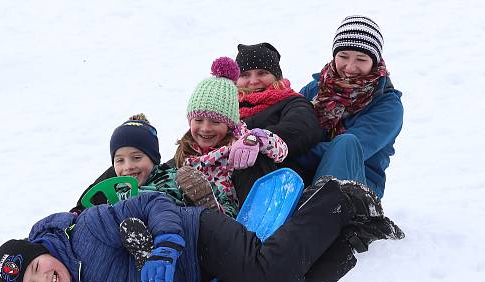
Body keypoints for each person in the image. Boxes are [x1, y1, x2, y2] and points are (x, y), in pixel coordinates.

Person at [0, 177, 404, 282]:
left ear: (42, 249)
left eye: (36, 267)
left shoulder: (85, 232)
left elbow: (155, 203)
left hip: (198, 236)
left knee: (270, 273)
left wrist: (165, 247)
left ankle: (337, 199)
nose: (43, 280)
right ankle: (348, 238)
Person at [299, 16, 403, 199]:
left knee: (345, 143)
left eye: (361, 59)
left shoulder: (387, 106)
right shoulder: (316, 89)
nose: (350, 67)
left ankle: (324, 214)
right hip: (304, 177)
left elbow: (350, 150)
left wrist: (288, 150)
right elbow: (290, 123)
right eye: (343, 56)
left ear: (375, 61)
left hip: (354, 189)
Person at [173, 57, 288, 210]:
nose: (205, 128)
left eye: (215, 122)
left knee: (254, 159)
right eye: (198, 120)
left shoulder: (241, 139)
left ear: (229, 125)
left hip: (238, 211)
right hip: (195, 217)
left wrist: (257, 139)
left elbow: (281, 151)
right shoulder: (185, 150)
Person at [73, 114, 235, 215]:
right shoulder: (114, 194)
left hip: (178, 232)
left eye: (136, 158)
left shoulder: (175, 179)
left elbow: (221, 197)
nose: (128, 166)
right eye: (120, 160)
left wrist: (219, 209)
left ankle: (211, 216)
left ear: (153, 159)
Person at [232, 42, 323, 199]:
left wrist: (257, 140)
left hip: (278, 182)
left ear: (276, 76)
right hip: (226, 183)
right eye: (245, 75)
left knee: (252, 157)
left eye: (262, 73)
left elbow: (302, 126)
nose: (253, 81)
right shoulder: (225, 109)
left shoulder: (292, 101)